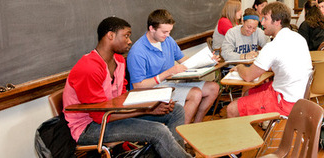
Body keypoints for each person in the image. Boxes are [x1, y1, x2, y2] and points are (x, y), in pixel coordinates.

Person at [63, 17, 190, 158]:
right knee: (157, 131)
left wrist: (152, 104)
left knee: (176, 111)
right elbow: (99, 116)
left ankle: (172, 154)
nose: (130, 41)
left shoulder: (118, 61)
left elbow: (123, 98)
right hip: (90, 127)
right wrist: (149, 109)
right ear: (110, 35)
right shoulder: (89, 68)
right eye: (126, 36)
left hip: (112, 116)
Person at [127, 9, 220, 124]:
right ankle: (180, 135)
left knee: (213, 88)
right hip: (150, 90)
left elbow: (184, 60)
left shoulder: (168, 40)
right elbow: (138, 86)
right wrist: (167, 73)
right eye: (164, 32)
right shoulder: (137, 51)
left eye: (169, 31)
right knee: (195, 94)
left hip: (171, 83)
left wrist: (206, 61)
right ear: (151, 29)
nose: (168, 35)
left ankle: (196, 126)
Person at [223, 2, 313, 118]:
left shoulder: (273, 46)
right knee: (247, 93)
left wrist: (240, 67)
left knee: (232, 109)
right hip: (298, 97)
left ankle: (246, 133)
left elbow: (248, 76)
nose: (262, 22)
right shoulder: (298, 38)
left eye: (265, 18)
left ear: (277, 22)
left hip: (285, 102)